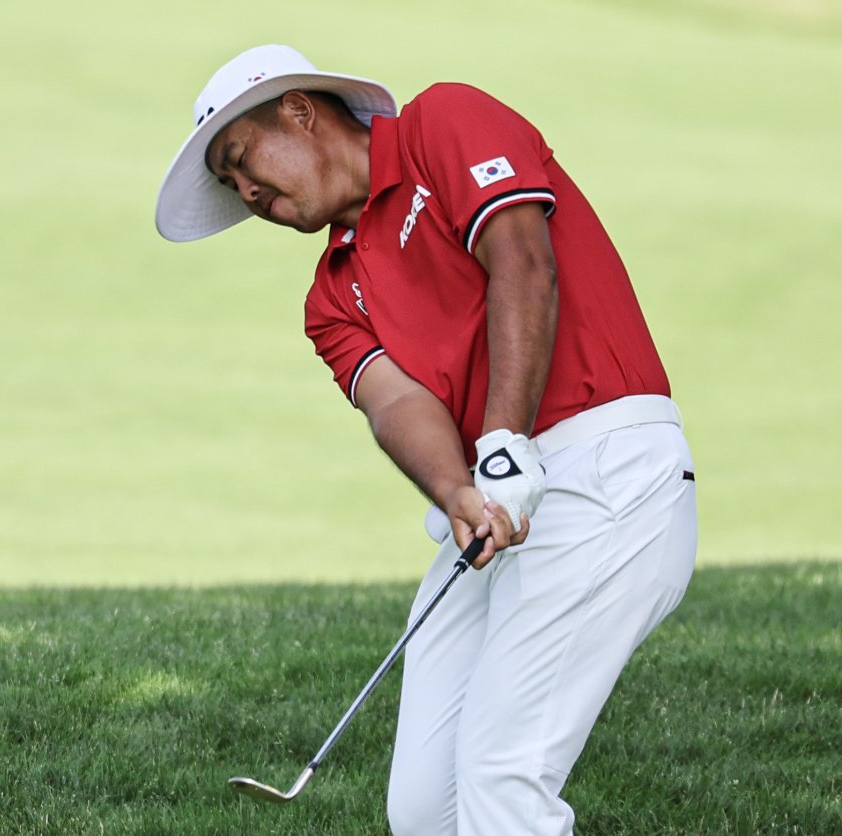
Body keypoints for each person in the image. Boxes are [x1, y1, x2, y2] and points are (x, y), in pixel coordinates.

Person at [155, 44, 697, 836]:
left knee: (501, 775)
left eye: (243, 161)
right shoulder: (330, 297)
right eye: (233, 189)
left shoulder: (440, 122)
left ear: (299, 110)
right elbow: (395, 403)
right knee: (424, 809)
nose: (248, 194)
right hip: (493, 501)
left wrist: (506, 438)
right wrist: (457, 491)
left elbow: (521, 260)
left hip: (607, 469)